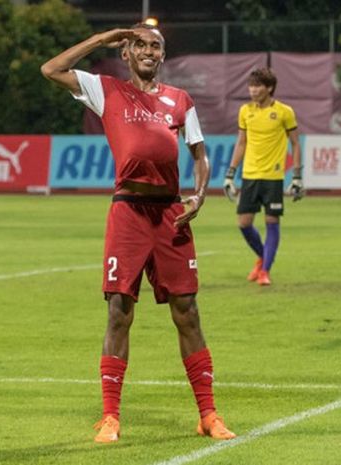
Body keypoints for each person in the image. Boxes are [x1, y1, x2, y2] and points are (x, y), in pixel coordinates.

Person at [41, 24, 236, 443]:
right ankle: (110, 417)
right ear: (126, 54)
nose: (149, 51)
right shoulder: (106, 90)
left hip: (170, 214)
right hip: (128, 211)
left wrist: (200, 196)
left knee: (188, 312)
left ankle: (208, 414)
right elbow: (51, 69)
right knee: (118, 311)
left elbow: (199, 152)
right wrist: (100, 39)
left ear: (163, 56)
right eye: (141, 45)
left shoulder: (179, 100)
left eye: (156, 46)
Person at [223, 67, 303, 286]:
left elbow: (295, 143)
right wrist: (230, 174)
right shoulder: (245, 111)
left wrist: (297, 176)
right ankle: (263, 256)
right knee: (244, 223)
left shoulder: (285, 112)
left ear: (269, 88)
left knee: (271, 221)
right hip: (249, 175)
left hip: (274, 177)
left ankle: (265, 270)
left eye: (257, 86)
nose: (253, 90)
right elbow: (241, 143)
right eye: (251, 85)